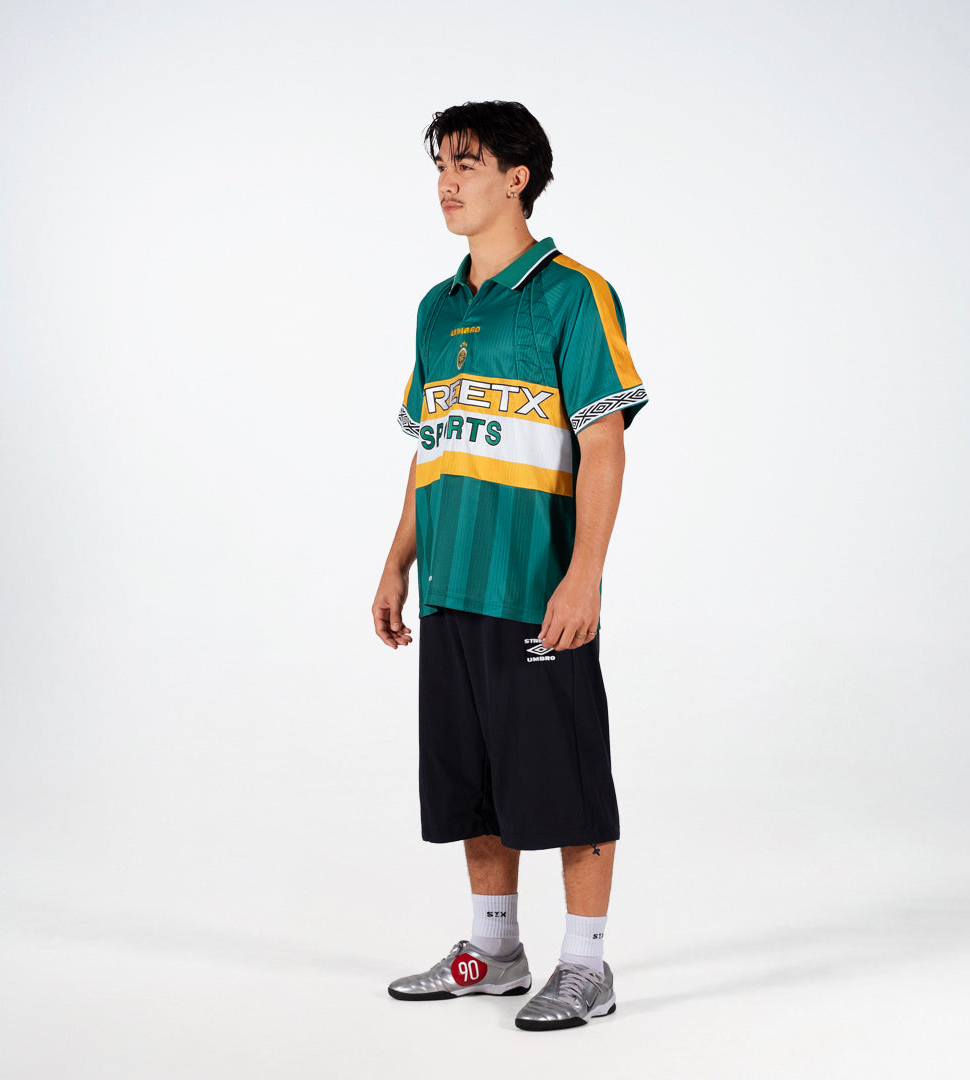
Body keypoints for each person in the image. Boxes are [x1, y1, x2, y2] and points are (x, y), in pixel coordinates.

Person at [371, 100, 647, 1032]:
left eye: (467, 164)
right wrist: (397, 563)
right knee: (474, 779)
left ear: (516, 178)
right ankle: (494, 953)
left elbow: (603, 445)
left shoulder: (574, 294)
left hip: (536, 588)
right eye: (439, 167)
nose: (447, 183)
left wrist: (585, 574)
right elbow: (433, 448)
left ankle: (586, 966)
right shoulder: (436, 308)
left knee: (563, 775)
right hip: (451, 587)